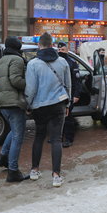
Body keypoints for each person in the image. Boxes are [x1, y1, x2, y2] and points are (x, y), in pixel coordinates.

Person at [25, 32, 71, 187]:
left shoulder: (33, 64)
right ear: (52, 44)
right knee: (56, 139)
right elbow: (68, 85)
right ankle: (56, 175)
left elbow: (31, 88)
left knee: (39, 136)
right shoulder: (63, 62)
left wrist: (28, 105)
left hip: (39, 106)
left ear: (40, 45)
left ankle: (34, 170)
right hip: (58, 104)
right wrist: (68, 104)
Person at [0, 37, 29, 182]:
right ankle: (13, 171)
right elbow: (15, 80)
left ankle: (3, 157)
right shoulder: (17, 60)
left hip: (2, 102)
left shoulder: (1, 61)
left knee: (13, 132)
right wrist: (29, 84)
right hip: (14, 102)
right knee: (18, 137)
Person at [57, 41, 81, 148]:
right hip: (58, 94)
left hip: (69, 94)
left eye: (62, 50)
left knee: (67, 117)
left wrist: (76, 95)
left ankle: (68, 138)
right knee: (58, 117)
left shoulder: (72, 63)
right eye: (59, 50)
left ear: (67, 50)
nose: (60, 51)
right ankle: (58, 137)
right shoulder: (55, 62)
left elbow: (77, 81)